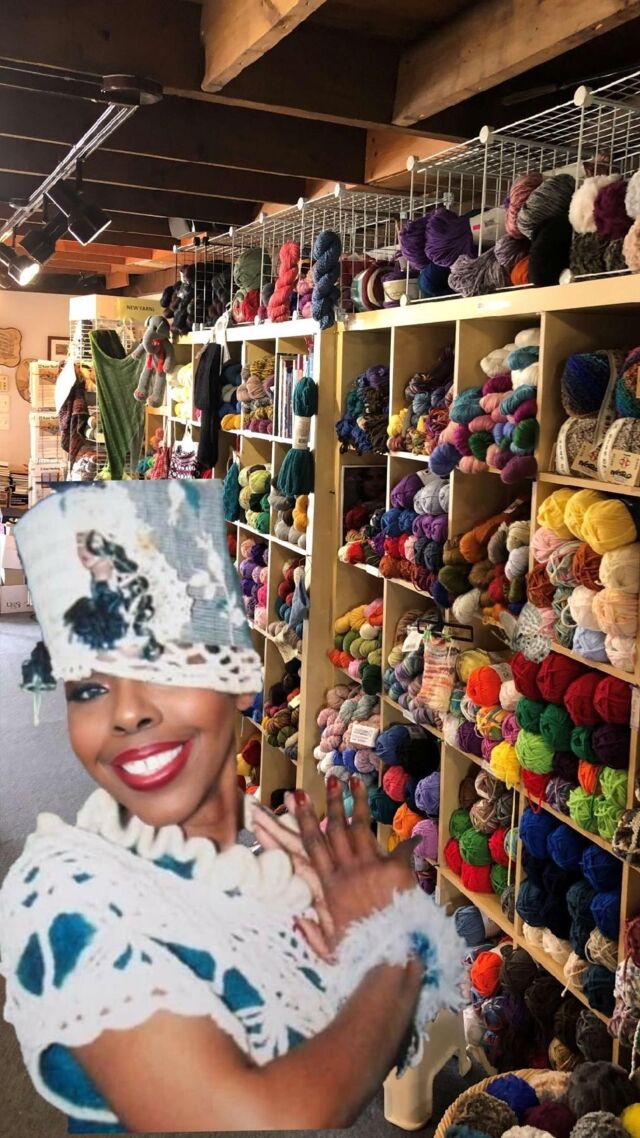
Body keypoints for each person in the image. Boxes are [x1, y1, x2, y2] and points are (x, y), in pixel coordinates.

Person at [0, 480, 463, 1133]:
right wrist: (394, 951)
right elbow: (272, 1110)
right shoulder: (65, 894)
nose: (127, 713)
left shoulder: (257, 870)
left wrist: (353, 953)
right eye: (88, 688)